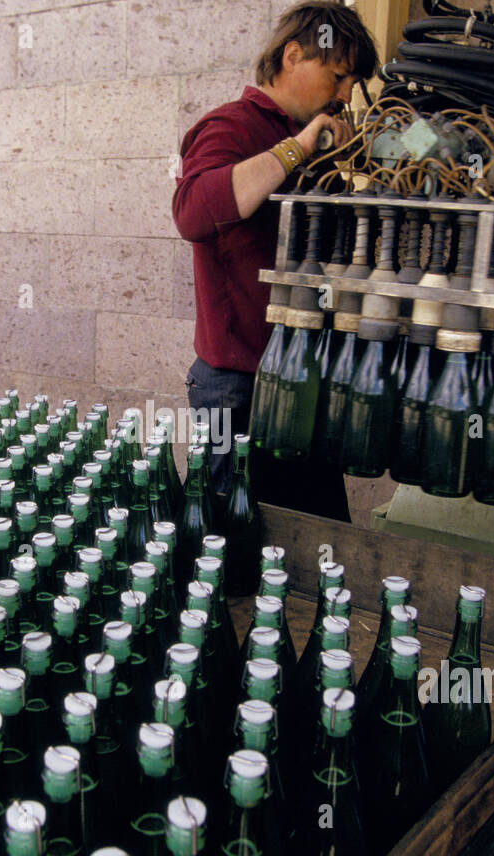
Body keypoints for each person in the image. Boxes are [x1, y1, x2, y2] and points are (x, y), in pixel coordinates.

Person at [172, 2, 377, 522]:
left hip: (306, 376)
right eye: (337, 76)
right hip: (235, 388)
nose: (344, 95)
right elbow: (193, 213)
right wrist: (297, 149)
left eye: (352, 83)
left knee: (318, 536)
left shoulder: (320, 138)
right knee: (234, 539)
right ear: (292, 55)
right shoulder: (230, 126)